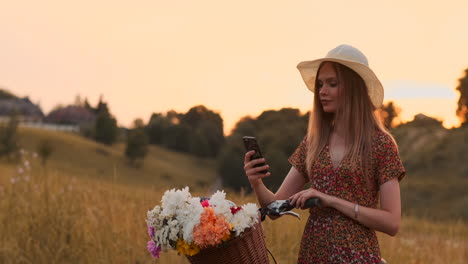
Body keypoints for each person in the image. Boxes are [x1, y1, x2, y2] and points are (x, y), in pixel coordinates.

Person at [243, 44, 405, 264]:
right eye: (320, 84)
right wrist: (257, 183)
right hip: (314, 255)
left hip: (359, 257)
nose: (322, 91)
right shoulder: (314, 142)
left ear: (353, 88)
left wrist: (330, 200)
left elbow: (392, 222)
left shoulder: (381, 144)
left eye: (332, 83)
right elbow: (274, 208)